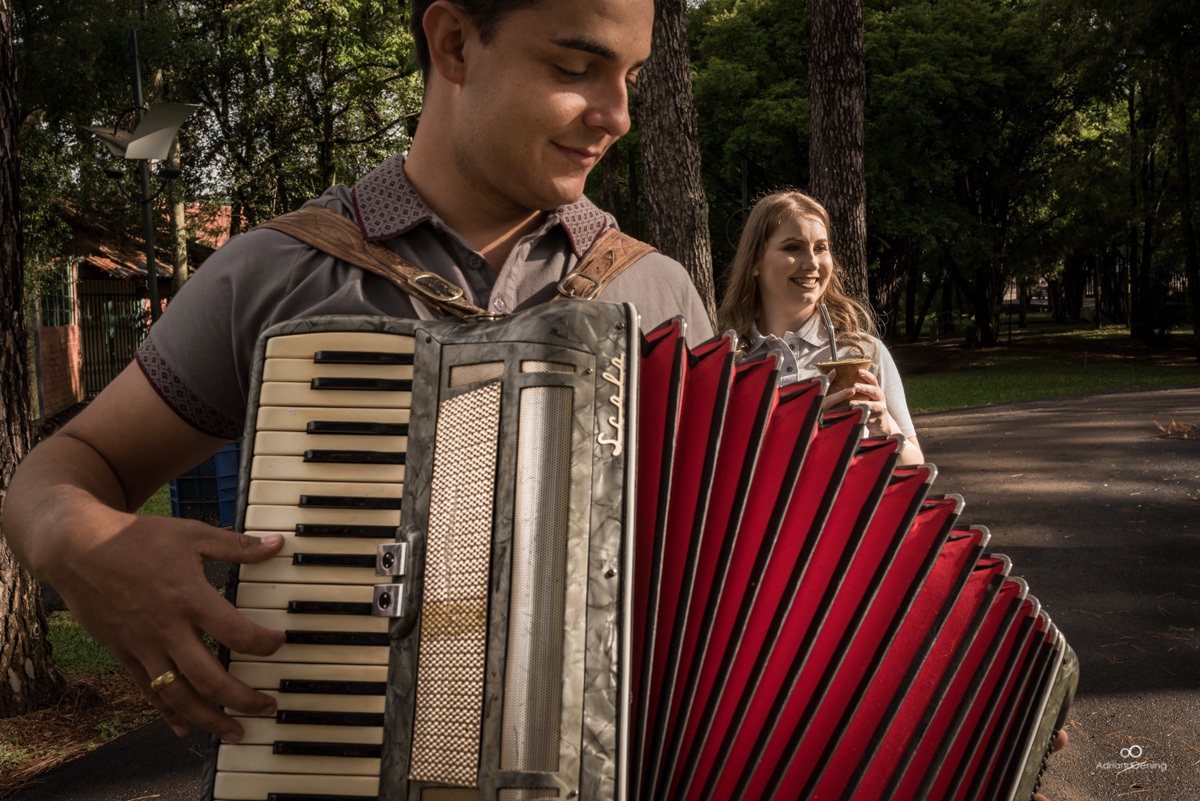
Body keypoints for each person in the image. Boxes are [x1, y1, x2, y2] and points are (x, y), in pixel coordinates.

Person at [2, 0, 712, 745]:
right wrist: (81, 543)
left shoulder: (657, 295)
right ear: (454, 44)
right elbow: (64, 467)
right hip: (330, 761)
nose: (618, 114)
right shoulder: (274, 273)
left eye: (631, 76)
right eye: (577, 69)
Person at [718, 190, 926, 466]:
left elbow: (915, 466)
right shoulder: (731, 365)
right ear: (755, 261)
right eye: (793, 247)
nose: (812, 263)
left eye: (820, 248)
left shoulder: (861, 352)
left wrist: (885, 427)